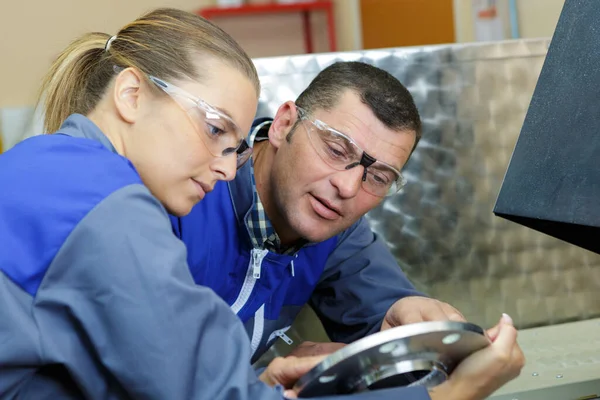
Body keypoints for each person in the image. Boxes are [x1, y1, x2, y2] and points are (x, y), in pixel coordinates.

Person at [0, 8, 324, 400]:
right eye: (214, 128)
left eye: (233, 149)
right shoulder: (107, 204)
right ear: (131, 95)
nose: (225, 170)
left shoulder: (39, 159)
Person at [170, 60, 525, 399]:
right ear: (284, 123)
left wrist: (412, 322)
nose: (349, 187)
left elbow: (382, 309)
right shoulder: (185, 192)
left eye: (379, 177)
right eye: (337, 149)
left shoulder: (336, 229)